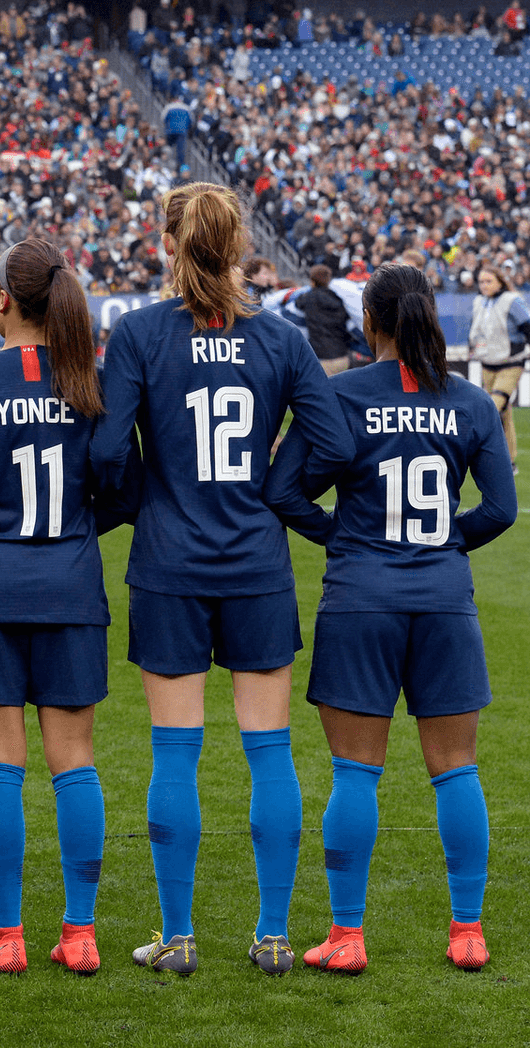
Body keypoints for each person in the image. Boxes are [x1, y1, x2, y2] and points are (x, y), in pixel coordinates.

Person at [91, 183, 352, 975]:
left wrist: (152, 500)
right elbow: (332, 442)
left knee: (176, 756)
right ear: (239, 246)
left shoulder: (136, 333)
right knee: (269, 754)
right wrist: (276, 486)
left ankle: (179, 938)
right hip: (256, 565)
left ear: (167, 242)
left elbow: (106, 454)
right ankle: (273, 936)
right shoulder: (279, 338)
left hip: (169, 567)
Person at [264, 263, 514, 975]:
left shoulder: (339, 395)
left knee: (354, 774)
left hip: (359, 597)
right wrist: (439, 545)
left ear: (368, 324)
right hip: (443, 600)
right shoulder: (467, 401)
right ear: (429, 316)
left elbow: (283, 492)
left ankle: (347, 938)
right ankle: (467, 931)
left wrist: (341, 536)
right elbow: (500, 509)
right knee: (457, 771)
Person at [0, 237, 131, 975]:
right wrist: (78, 530)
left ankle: (8, 938)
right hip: (71, 583)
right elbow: (126, 488)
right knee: (75, 764)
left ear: (0, 301)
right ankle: (80, 936)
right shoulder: (94, 381)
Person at [468, 265, 528, 472]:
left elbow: (527, 325)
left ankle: (478, 452)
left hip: (511, 362)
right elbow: (475, 327)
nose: (484, 286)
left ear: (500, 282)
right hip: (488, 363)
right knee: (504, 413)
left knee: (493, 405)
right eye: (481, 282)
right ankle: (509, 461)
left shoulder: (512, 301)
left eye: (489, 281)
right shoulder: (478, 301)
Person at [301, 264, 353, 376]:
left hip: (323, 357)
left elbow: (296, 303)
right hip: (343, 355)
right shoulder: (337, 298)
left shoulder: (309, 297)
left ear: (312, 279)